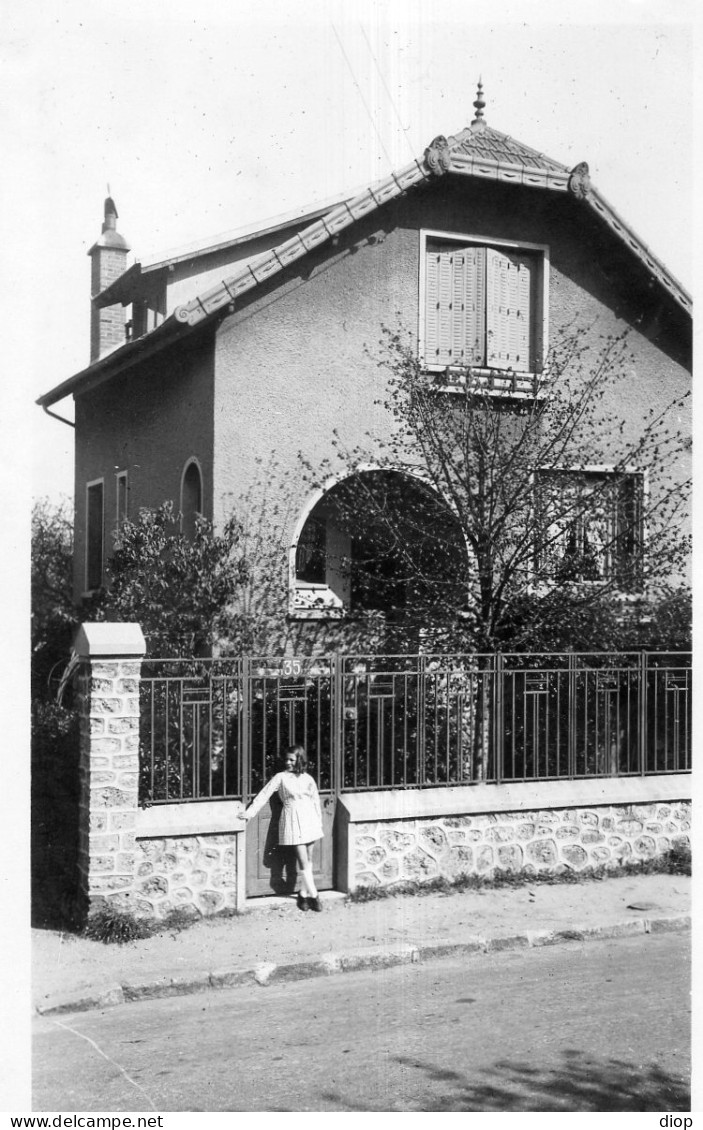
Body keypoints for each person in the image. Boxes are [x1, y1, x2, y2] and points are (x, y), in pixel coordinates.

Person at [242, 744, 324, 911]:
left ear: (299, 760)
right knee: (303, 861)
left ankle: (302, 895)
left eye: (292, 760)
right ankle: (314, 896)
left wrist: (319, 823)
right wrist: (249, 813)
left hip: (310, 820)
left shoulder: (308, 779)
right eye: (286, 759)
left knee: (308, 860)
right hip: (293, 819)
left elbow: (315, 801)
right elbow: (264, 794)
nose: (288, 762)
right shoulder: (280, 777)